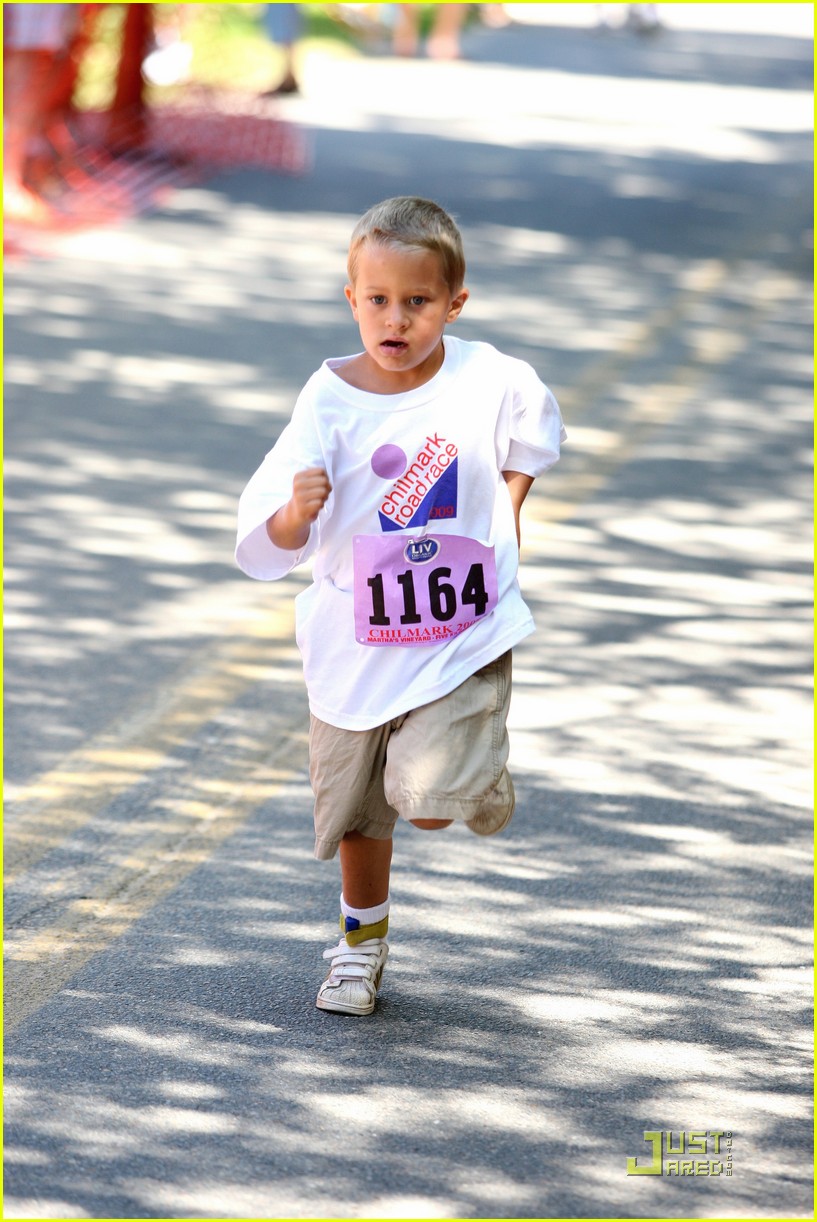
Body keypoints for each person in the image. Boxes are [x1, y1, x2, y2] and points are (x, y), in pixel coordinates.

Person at [235, 197, 566, 1016]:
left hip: (459, 625)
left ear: (453, 303)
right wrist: (292, 515)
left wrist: (507, 510)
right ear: (350, 299)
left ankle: (466, 774)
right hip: (356, 636)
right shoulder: (328, 400)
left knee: (424, 803)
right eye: (377, 300)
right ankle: (358, 949)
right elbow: (264, 532)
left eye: (416, 302)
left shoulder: (491, 379)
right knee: (360, 812)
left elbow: (531, 431)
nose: (395, 319)